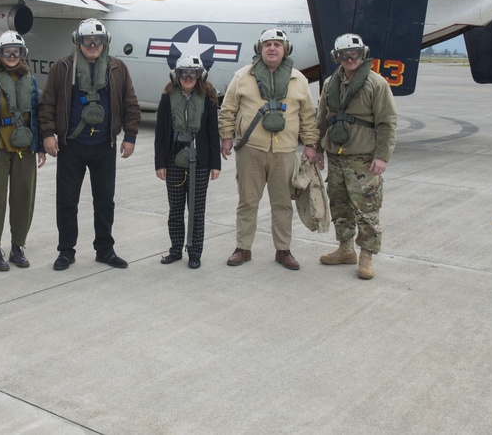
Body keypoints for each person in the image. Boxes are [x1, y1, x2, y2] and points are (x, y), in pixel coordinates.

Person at [38, 18, 141, 271]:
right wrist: (48, 133)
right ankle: (66, 251)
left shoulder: (117, 68)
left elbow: (130, 103)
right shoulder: (63, 68)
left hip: (104, 146)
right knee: (67, 200)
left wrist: (130, 136)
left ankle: (105, 249)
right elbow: (47, 102)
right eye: (87, 40)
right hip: (71, 146)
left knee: (105, 200)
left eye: (98, 40)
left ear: (106, 42)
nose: (93, 44)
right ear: (78, 41)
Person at [218, 28, 320, 270]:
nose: (272, 48)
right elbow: (228, 109)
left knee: (283, 203)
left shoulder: (299, 80)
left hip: (284, 152)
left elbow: (307, 115)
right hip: (251, 151)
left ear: (286, 49)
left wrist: (310, 144)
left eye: (277, 44)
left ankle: (283, 250)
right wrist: (226, 137)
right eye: (267, 45)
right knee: (247, 202)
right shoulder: (242, 77)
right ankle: (243, 248)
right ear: (259, 49)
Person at [315, 33, 397, 280]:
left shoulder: (376, 84)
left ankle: (366, 256)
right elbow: (321, 118)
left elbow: (387, 122)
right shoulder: (330, 83)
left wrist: (382, 156)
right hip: (336, 157)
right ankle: (345, 249)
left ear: (363, 55)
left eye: (355, 54)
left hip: (363, 158)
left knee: (367, 209)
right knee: (339, 205)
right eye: (344, 55)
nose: (350, 59)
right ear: (336, 57)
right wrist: (317, 147)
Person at [0, 31, 46, 271]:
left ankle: (18, 247)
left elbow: (36, 115)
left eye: (16, 51)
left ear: (23, 54)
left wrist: (40, 146)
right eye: (7, 51)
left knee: (23, 198)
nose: (12, 55)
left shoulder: (31, 81)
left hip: (25, 146)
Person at [154, 55, 221, 269]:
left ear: (200, 75)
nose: (188, 77)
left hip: (200, 162)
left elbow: (213, 133)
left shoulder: (209, 98)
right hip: (174, 160)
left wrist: (215, 164)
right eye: (184, 73)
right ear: (177, 74)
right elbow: (160, 133)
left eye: (193, 73)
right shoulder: (167, 97)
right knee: (175, 209)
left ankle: (194, 252)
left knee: (197, 210)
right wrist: (160, 163)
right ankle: (175, 250)